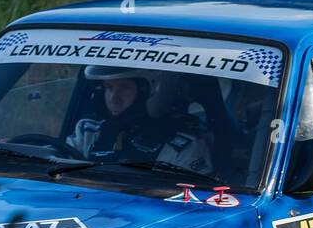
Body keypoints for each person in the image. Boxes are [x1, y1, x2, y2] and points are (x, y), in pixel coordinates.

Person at [67, 66, 213, 174]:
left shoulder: (182, 146)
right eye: (109, 88)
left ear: (149, 91)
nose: (114, 98)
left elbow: (186, 203)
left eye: (124, 88)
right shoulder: (88, 131)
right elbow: (57, 164)